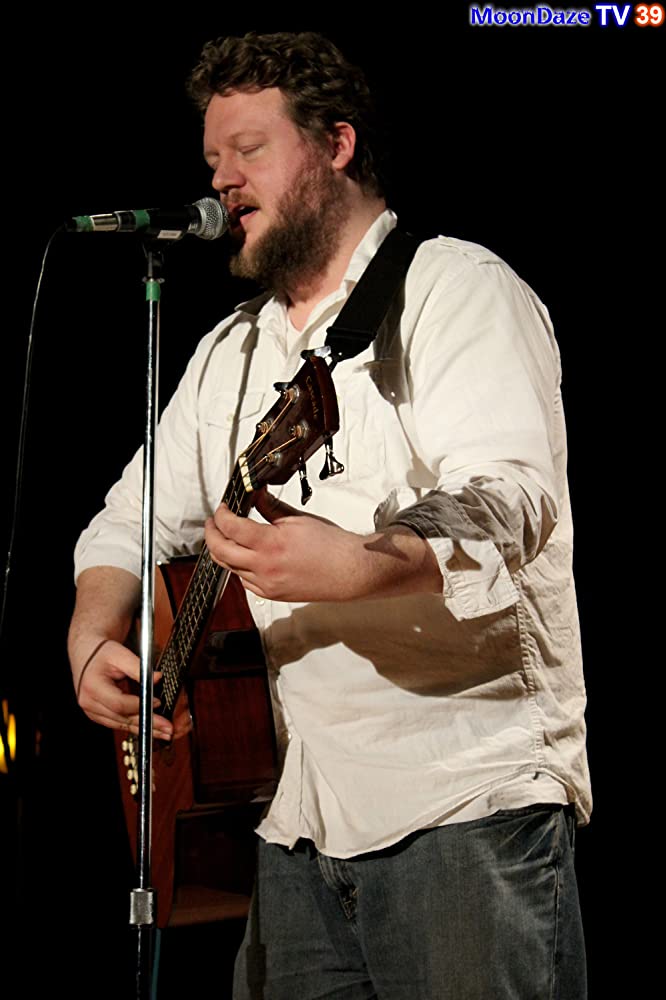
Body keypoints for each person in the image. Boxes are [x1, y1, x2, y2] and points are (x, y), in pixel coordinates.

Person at [68, 31, 591, 999]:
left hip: (463, 801)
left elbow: (511, 500)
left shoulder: (453, 288)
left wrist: (359, 563)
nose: (221, 180)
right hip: (295, 826)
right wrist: (93, 633)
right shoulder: (231, 353)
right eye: (212, 159)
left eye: (249, 149)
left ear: (337, 145)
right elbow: (124, 524)